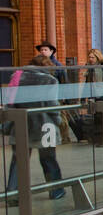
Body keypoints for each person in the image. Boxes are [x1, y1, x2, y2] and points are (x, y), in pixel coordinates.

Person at [5, 55, 65, 200]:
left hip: (20, 124)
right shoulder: (49, 80)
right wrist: (58, 120)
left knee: (18, 161)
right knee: (48, 159)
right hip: (45, 126)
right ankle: (56, 191)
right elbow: (52, 105)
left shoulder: (17, 77)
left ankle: (13, 195)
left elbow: (10, 102)